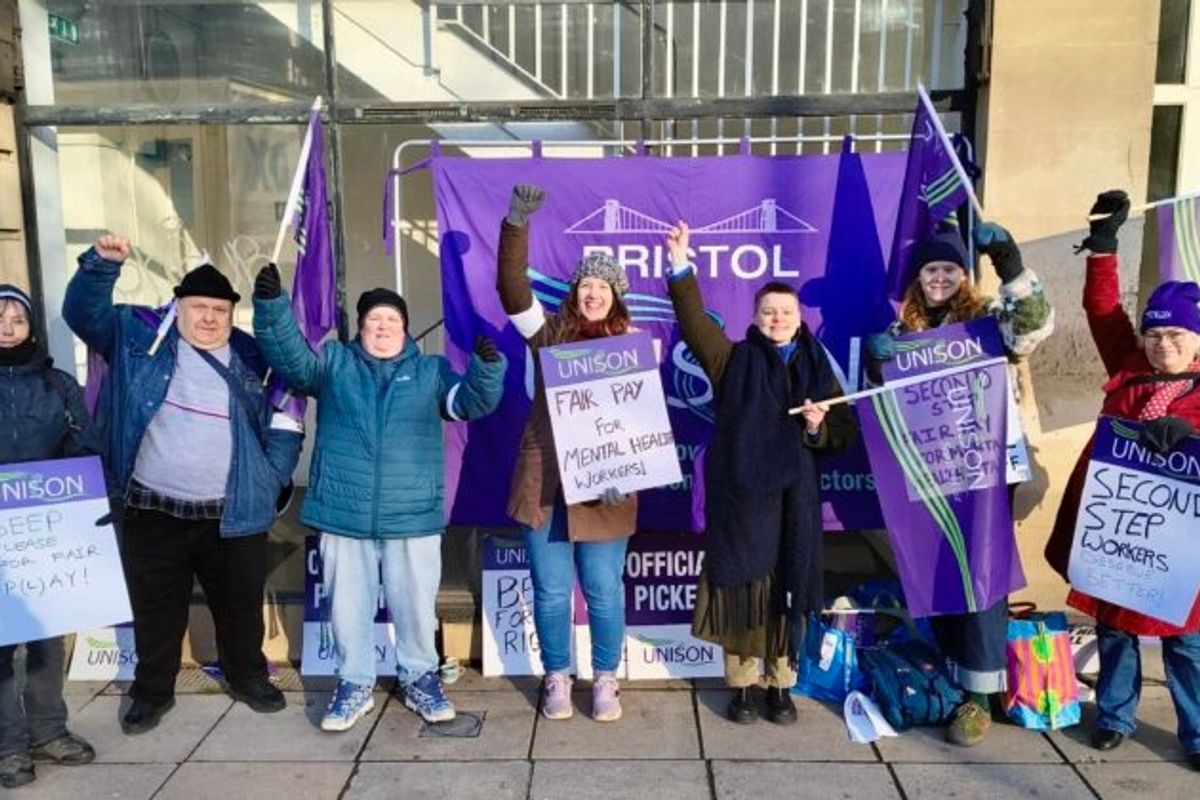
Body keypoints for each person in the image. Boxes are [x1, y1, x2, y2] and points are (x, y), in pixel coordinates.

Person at [63, 236, 303, 735]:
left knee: (240, 609)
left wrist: (272, 476)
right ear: (179, 307)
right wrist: (101, 267)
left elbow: (289, 412)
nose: (209, 319)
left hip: (232, 511)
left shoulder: (253, 355)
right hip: (153, 509)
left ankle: (247, 677)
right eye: (199, 308)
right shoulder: (137, 339)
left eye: (220, 310)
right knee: (156, 611)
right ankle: (152, 691)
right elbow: (83, 315)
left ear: (231, 314)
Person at [253, 267, 506, 730]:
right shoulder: (333, 362)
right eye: (374, 320)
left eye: (392, 319)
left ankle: (420, 677)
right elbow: (292, 360)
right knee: (348, 608)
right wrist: (272, 309)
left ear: (405, 329)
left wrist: (486, 371)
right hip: (344, 513)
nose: (383, 327)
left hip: (412, 515)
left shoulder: (430, 371)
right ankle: (354, 684)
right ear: (361, 327)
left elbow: (468, 403)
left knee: (415, 608)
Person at [663, 222, 859, 725]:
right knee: (744, 590)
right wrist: (681, 265)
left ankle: (781, 685)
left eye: (786, 312)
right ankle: (744, 687)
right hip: (744, 503)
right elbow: (694, 325)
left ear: (800, 319)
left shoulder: (818, 368)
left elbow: (842, 434)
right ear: (754, 318)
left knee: (788, 586)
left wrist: (817, 427)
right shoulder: (732, 360)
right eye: (769, 311)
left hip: (796, 504)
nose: (777, 319)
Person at [866, 222, 1053, 746]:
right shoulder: (903, 328)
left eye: (949, 268)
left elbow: (1032, 328)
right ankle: (949, 673)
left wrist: (1009, 261)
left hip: (984, 470)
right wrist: (878, 364)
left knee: (982, 577)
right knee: (938, 572)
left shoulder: (986, 320)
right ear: (918, 277)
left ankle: (980, 695)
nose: (940, 277)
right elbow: (883, 403)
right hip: (930, 470)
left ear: (963, 275)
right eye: (932, 269)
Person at [1045, 190, 1200, 770]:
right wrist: (1103, 248)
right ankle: (1114, 716)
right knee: (1113, 628)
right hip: (1118, 528)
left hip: (1181, 546)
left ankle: (1196, 731)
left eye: (1177, 336)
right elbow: (1103, 311)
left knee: (1186, 641)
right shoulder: (1129, 367)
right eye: (1155, 335)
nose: (1164, 344)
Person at [496, 184, 638, 722]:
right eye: (586, 284)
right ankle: (556, 674)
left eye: (603, 286)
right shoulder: (547, 333)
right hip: (547, 484)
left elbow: (642, 423)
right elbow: (512, 290)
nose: (593, 292)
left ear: (615, 296)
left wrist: (627, 471)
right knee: (552, 590)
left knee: (603, 589)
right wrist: (516, 224)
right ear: (574, 291)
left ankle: (605, 678)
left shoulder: (630, 345)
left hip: (607, 486)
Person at [0, 285, 96, 788]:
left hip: (45, 531)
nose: (7, 327)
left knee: (46, 639)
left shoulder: (58, 385)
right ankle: (8, 747)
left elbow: (84, 445)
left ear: (31, 326)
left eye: (17, 319)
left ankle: (48, 730)